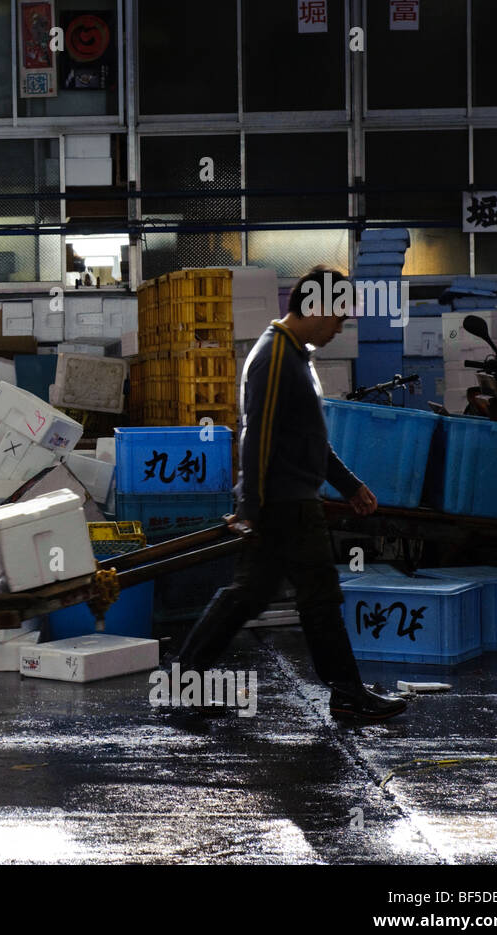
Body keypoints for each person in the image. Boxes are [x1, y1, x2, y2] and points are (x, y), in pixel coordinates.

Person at [166, 266, 407, 721]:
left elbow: (309, 438)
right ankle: (346, 693)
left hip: (288, 499)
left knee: (251, 594)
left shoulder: (296, 356)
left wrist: (349, 484)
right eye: (338, 316)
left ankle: (185, 681)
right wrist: (250, 507)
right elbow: (255, 435)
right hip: (285, 504)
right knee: (317, 593)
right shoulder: (276, 356)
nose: (340, 326)